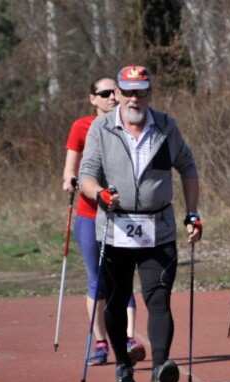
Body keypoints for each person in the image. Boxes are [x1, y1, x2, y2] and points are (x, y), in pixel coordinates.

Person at [78, 65, 201, 382]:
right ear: (116, 93)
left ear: (149, 93)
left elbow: (188, 167)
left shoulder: (165, 126)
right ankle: (123, 365)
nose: (135, 98)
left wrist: (192, 213)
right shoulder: (101, 128)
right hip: (115, 228)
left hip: (157, 228)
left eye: (141, 91)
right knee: (117, 302)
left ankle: (161, 368)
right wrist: (99, 193)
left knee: (158, 297)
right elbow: (86, 175)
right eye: (128, 91)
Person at [61, 76, 145, 366]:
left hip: (123, 215)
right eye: (105, 93)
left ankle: (130, 338)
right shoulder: (82, 127)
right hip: (89, 213)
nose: (112, 97)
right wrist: (71, 181)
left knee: (122, 278)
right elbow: (70, 169)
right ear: (92, 98)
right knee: (97, 280)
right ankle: (100, 342)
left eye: (115, 92)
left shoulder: (132, 124)